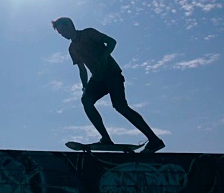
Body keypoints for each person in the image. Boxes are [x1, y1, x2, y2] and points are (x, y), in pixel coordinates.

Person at [51, 17, 165, 153]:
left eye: (63, 30)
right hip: (98, 79)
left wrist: (104, 56)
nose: (62, 34)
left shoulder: (88, 33)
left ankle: (154, 140)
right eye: (60, 33)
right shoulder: (72, 49)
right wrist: (85, 85)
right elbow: (81, 69)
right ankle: (105, 138)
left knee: (120, 106)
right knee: (86, 101)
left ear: (70, 25)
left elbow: (111, 42)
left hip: (112, 74)